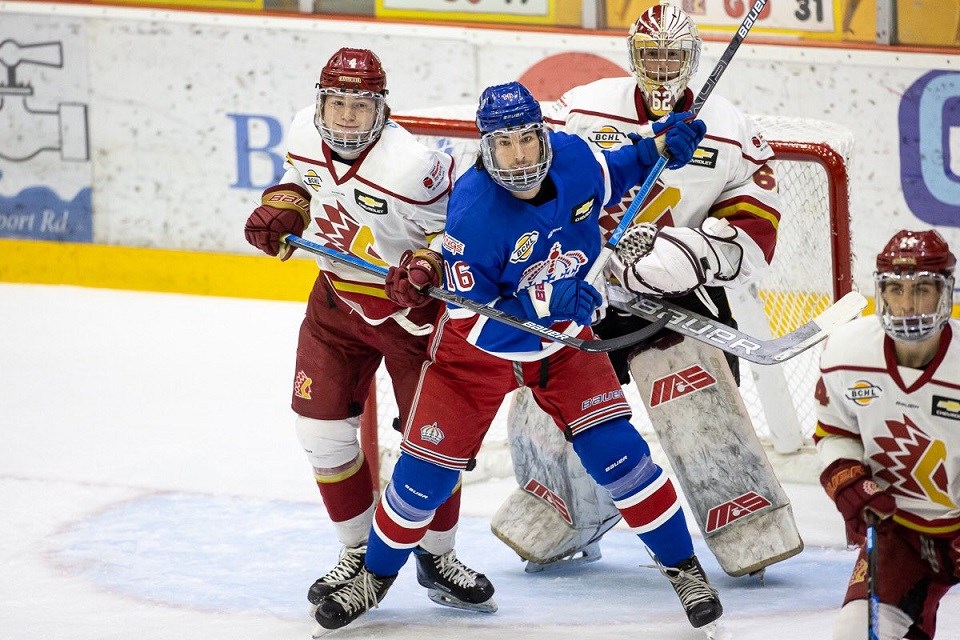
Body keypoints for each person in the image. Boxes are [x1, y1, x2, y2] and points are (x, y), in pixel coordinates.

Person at [311, 80, 721, 632]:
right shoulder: (473, 214)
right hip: (476, 356)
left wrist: (662, 148)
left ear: (542, 135)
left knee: (621, 457)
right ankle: (375, 577)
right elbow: (473, 321)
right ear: (485, 147)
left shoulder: (575, 157)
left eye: (527, 139)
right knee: (421, 481)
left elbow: (623, 167)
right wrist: (549, 301)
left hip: (563, 348)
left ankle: (684, 570)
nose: (519, 155)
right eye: (504, 144)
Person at [494, 0, 786, 570]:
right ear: (632, 56)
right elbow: (527, 185)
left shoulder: (728, 127)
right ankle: (566, 508)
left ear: (693, 57)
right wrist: (564, 257)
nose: (660, 66)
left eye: (672, 54)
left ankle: (747, 514)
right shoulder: (582, 109)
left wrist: (690, 255)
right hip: (584, 289)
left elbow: (759, 220)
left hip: (679, 298)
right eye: (649, 54)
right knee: (543, 404)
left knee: (699, 407)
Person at [242, 47, 494, 615]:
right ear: (320, 103)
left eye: (360, 105)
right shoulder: (304, 130)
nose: (347, 117)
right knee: (320, 431)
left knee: (435, 447)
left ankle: (438, 555)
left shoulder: (413, 166)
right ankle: (357, 552)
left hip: (412, 319)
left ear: (381, 108)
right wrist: (284, 207)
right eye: (336, 103)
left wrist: (428, 265)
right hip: (335, 304)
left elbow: (457, 230)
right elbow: (297, 180)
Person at [816, 229, 959, 640]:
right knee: (853, 633)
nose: (909, 305)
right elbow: (834, 432)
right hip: (897, 531)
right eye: (896, 289)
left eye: (923, 290)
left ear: (945, 293)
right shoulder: (846, 351)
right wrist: (850, 483)